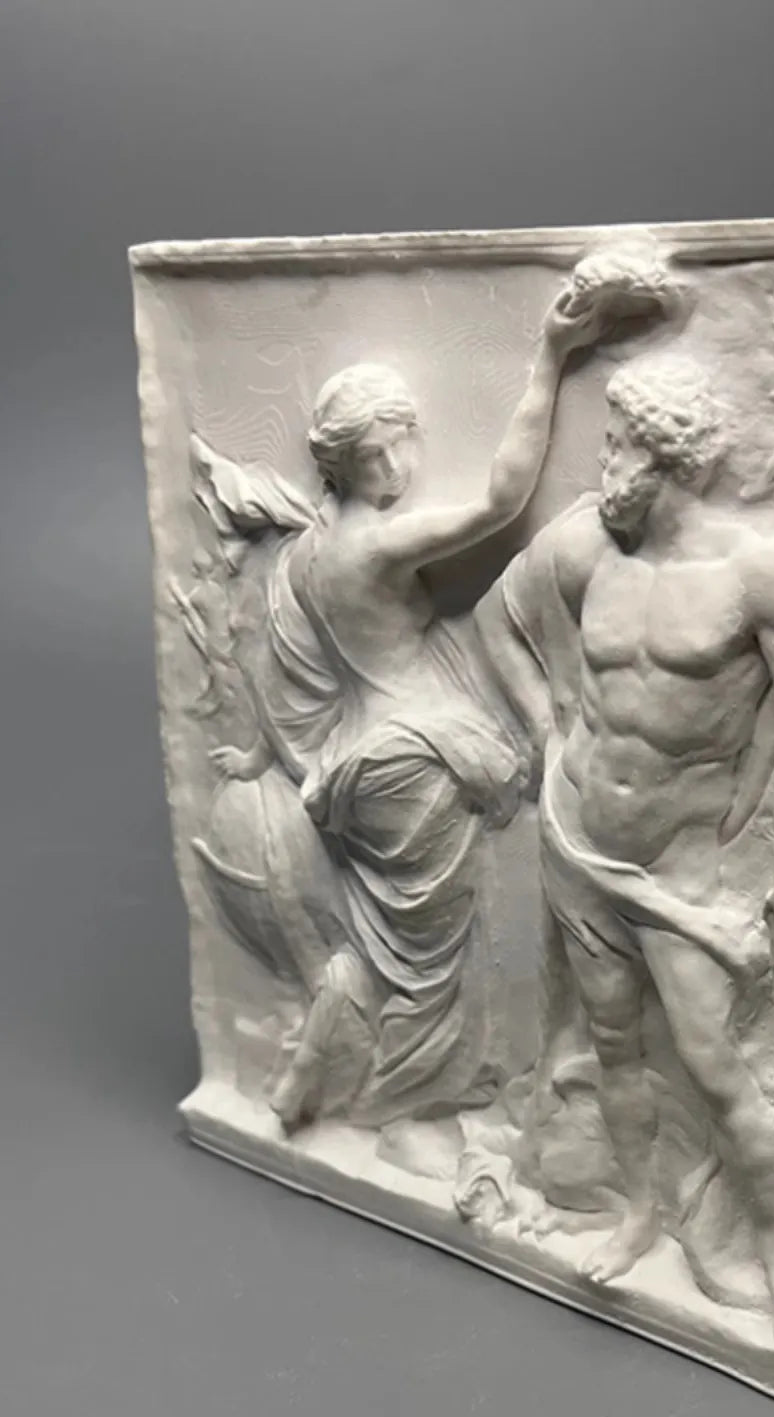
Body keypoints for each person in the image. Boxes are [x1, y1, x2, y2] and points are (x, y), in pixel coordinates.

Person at [476, 349, 774, 1358]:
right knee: (614, 1044)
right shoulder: (584, 547)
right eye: (607, 440)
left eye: (620, 445)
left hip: (680, 864)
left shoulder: (758, 573)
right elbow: (497, 618)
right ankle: (640, 1212)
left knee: (718, 1066)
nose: (605, 462)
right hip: (578, 842)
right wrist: (548, 722)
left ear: (671, 457)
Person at [215, 289, 611, 1129]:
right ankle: (393, 1108)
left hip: (365, 758)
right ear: (344, 463)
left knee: (413, 947)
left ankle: (323, 1059)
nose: (397, 468)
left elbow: (286, 674)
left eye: (402, 444)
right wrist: (551, 356)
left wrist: (263, 756)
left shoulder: (304, 556)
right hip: (419, 761)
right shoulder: (378, 547)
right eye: (377, 455)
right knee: (435, 966)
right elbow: (503, 503)